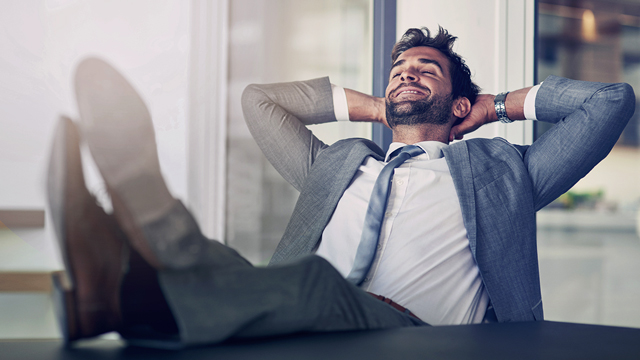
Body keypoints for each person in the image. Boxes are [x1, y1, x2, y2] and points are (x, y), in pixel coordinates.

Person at [48, 26, 634, 348]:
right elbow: (261, 102)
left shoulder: (503, 174)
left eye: (426, 69)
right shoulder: (338, 165)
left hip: (412, 337)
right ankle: (112, 286)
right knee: (230, 265)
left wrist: (492, 107)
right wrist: (381, 107)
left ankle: (137, 235)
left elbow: (611, 103)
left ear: (458, 101)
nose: (407, 72)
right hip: (298, 324)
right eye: (398, 70)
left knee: (309, 285)